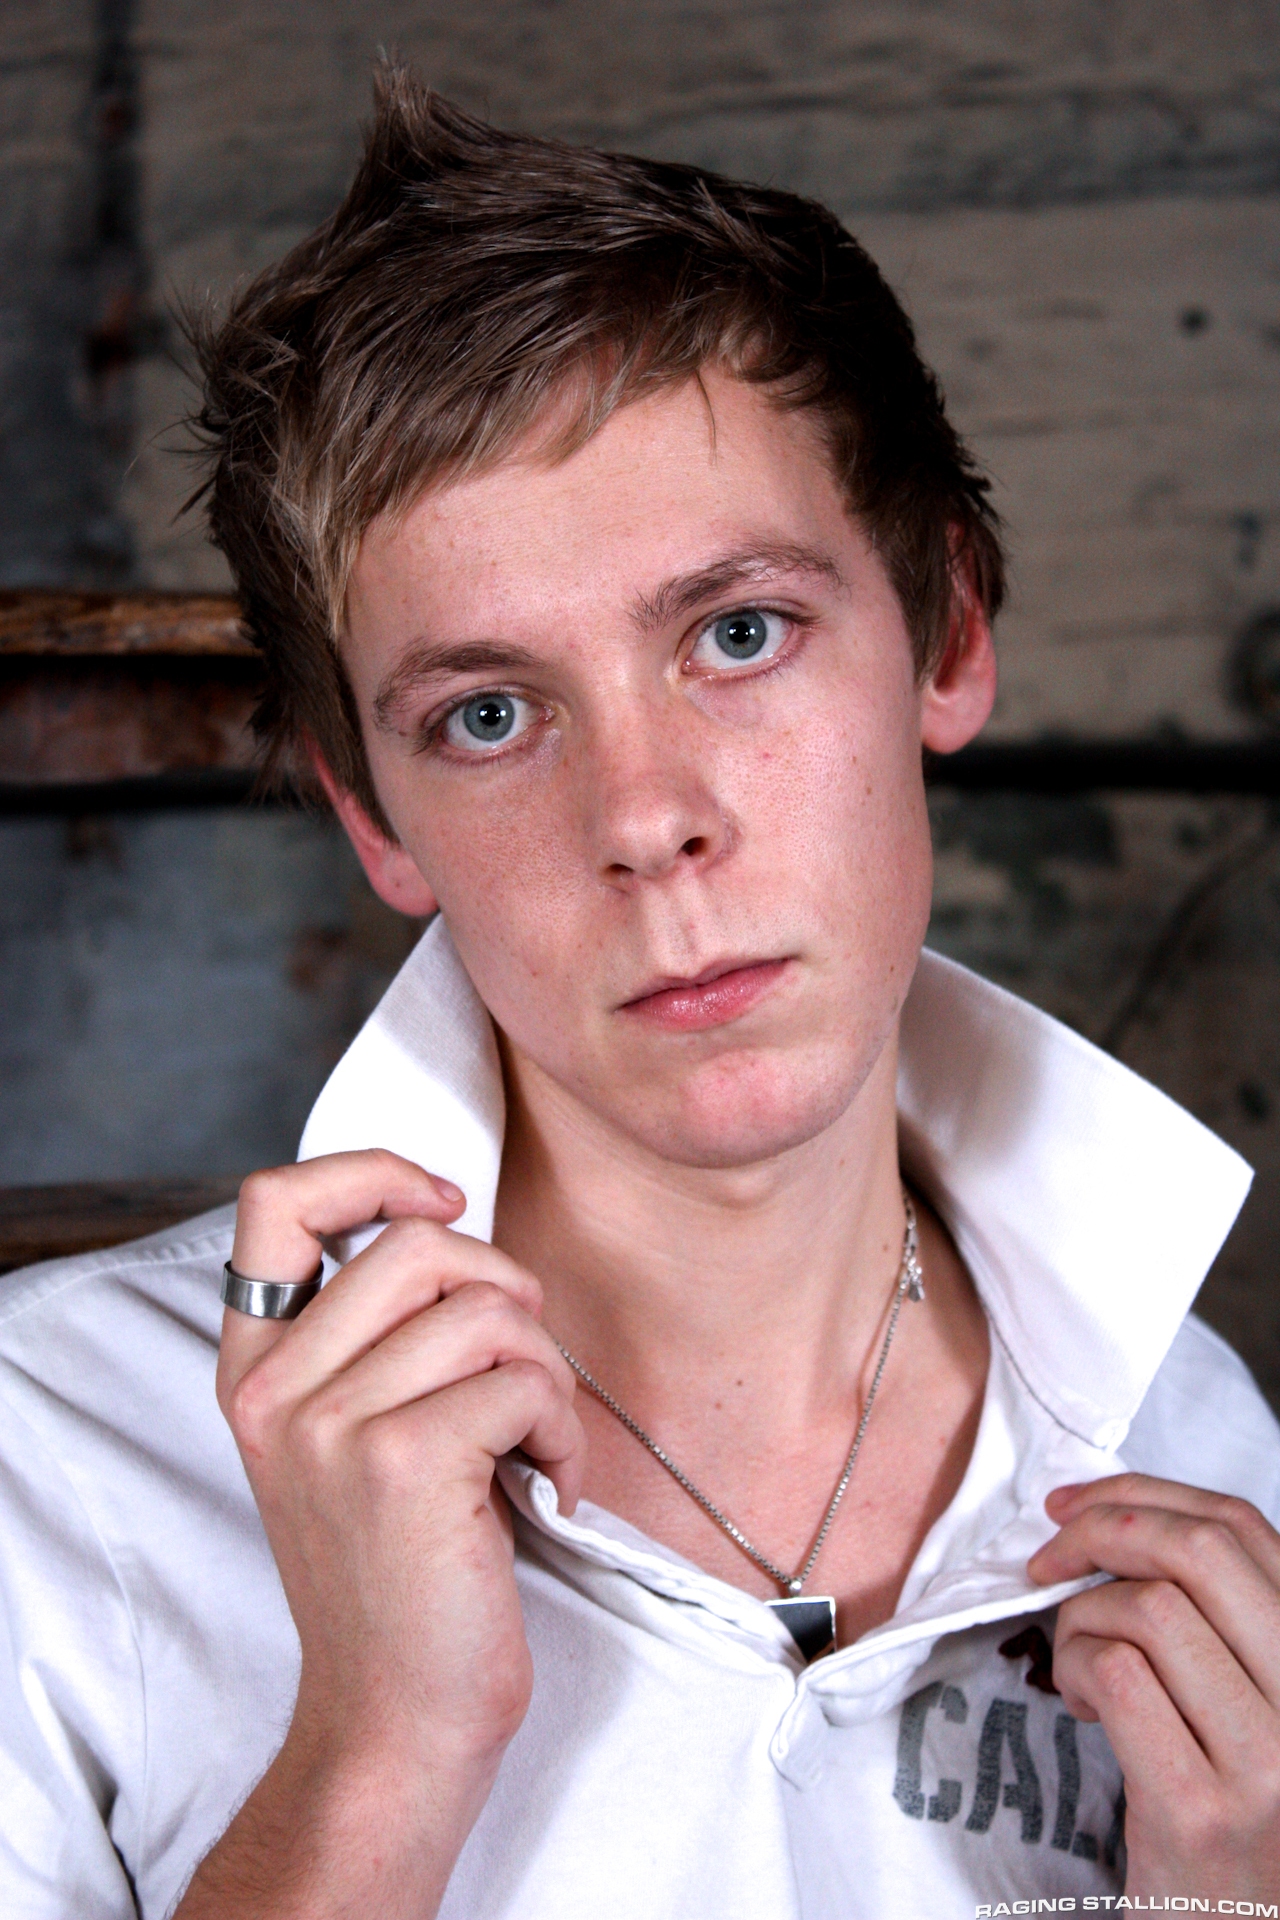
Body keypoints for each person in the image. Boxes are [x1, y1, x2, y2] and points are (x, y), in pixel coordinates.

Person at [2, 66, 1279, 1920]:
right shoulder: (48, 1460)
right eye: (489, 715)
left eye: (738, 635)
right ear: (372, 813)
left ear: (947, 631)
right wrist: (378, 1758)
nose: (646, 820)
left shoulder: (1201, 1445)